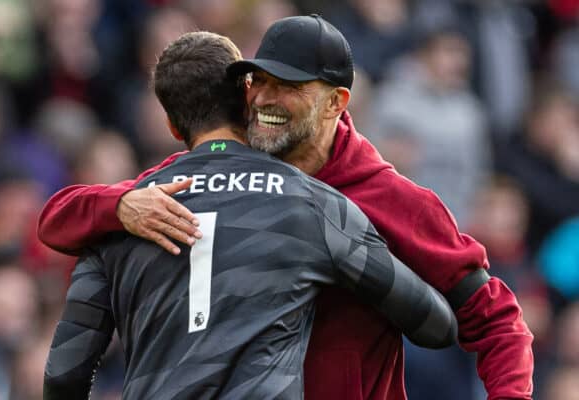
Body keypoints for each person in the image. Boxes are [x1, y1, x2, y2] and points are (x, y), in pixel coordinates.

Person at [38, 15, 534, 400]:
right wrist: (119, 204)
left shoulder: (395, 201)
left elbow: (495, 320)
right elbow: (58, 218)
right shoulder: (220, 175)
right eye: (260, 82)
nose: (266, 100)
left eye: (290, 88)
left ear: (337, 102)